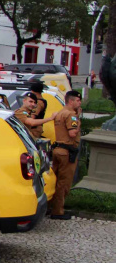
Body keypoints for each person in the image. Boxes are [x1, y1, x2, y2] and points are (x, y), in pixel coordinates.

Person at [50, 90, 83, 220]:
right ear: (71, 101)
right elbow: (72, 133)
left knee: (54, 180)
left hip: (57, 149)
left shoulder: (59, 113)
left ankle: (48, 206)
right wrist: (78, 120)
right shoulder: (71, 115)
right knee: (64, 182)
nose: (80, 103)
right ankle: (58, 211)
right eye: (78, 100)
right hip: (66, 152)